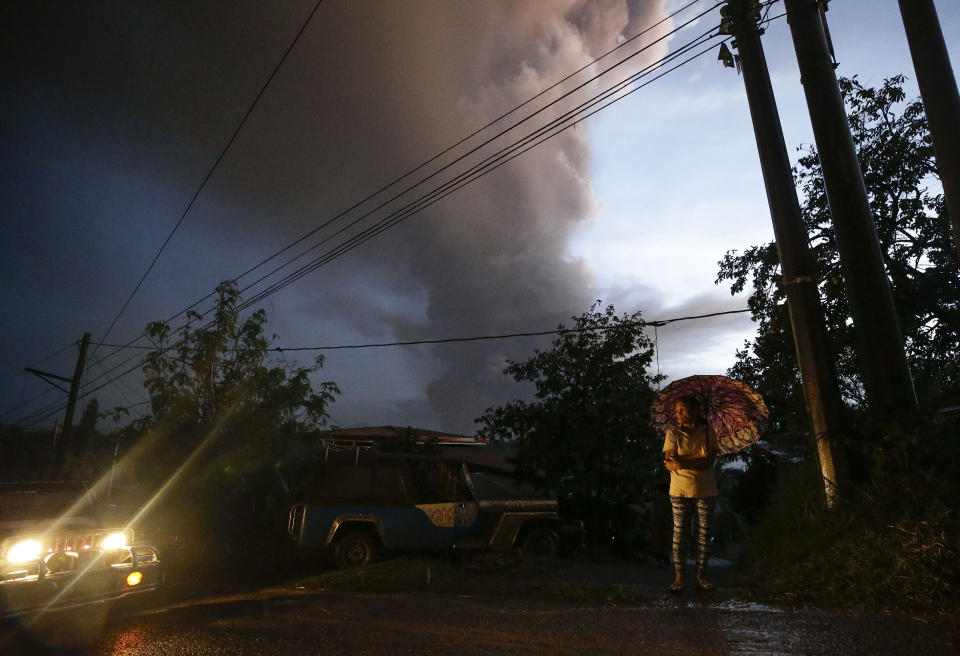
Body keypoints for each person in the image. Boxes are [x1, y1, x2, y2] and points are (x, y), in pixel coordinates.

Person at [662, 395, 717, 592]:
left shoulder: (709, 432)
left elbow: (709, 463)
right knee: (680, 534)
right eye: (677, 411)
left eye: (683, 410)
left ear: (696, 410)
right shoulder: (673, 434)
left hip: (706, 490)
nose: (679, 415)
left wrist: (683, 462)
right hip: (679, 491)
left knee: (703, 535)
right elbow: (670, 462)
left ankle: (701, 575)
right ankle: (680, 576)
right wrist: (698, 456)